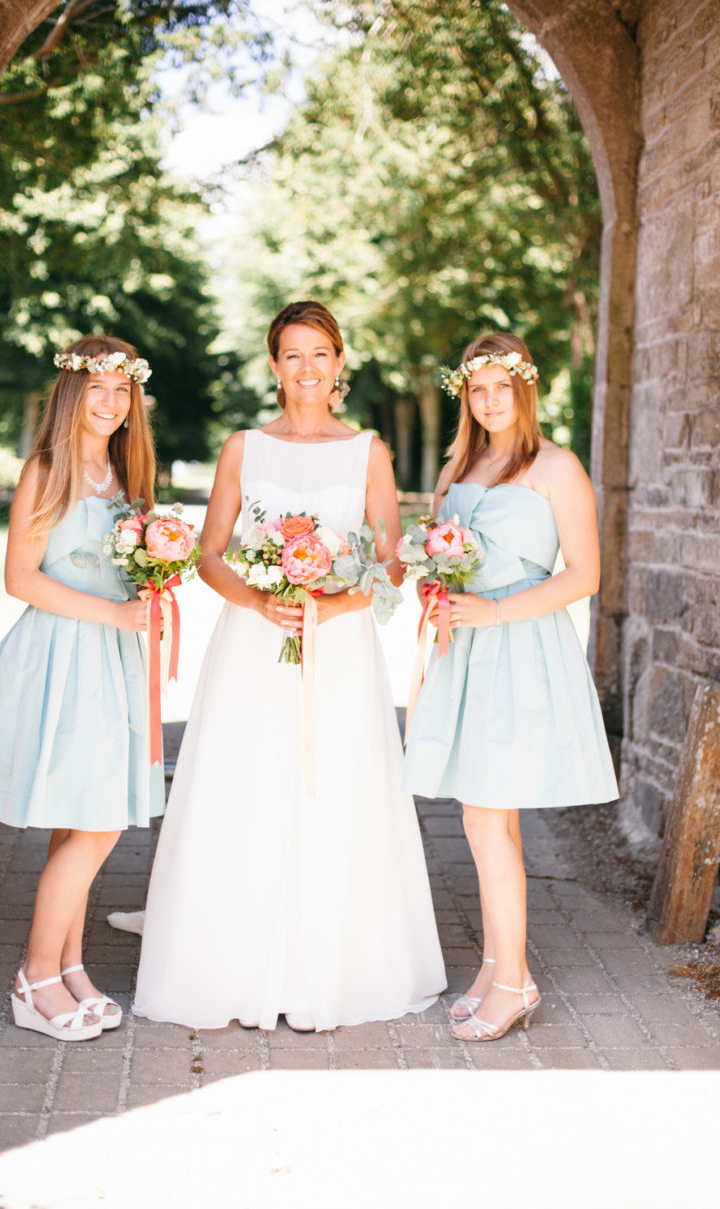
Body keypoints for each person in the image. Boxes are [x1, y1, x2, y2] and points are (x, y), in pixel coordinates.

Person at [128, 300, 445, 1032]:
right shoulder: (245, 447)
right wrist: (256, 596)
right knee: (249, 781)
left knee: (334, 785)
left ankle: (327, 966)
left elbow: (392, 559)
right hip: (252, 642)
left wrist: (332, 606)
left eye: (320, 353)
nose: (307, 367)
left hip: (338, 645)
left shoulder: (368, 450)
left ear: (340, 362)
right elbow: (209, 554)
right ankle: (235, 960)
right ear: (274, 365)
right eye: (292, 354)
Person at [402, 331, 618, 1043]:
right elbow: (438, 551)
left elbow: (582, 576)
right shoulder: (463, 462)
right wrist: (433, 585)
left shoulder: (557, 466)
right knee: (477, 817)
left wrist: (492, 608)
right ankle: (496, 966)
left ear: (525, 387)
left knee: (493, 818)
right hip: (465, 648)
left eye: (502, 386)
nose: (490, 400)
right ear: (466, 394)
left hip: (519, 648)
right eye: (477, 388)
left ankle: (516, 978)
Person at [0, 336, 164, 1042]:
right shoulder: (48, 469)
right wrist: (113, 611)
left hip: (110, 655)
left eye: (121, 390)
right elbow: (20, 578)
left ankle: (70, 966)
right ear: (72, 394)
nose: (110, 403)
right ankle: (33, 976)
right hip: (63, 653)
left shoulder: (125, 474)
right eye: (97, 389)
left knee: (83, 816)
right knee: (99, 818)